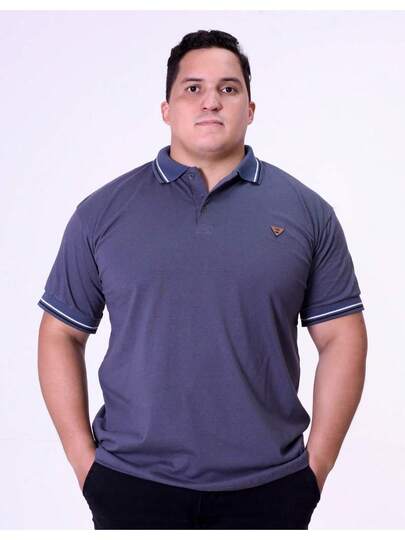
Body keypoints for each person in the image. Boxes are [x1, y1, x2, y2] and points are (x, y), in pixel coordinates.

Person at [37, 29, 368, 530]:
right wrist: (87, 467)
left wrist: (314, 471)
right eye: (192, 88)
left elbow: (343, 336)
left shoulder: (307, 213)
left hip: (269, 489)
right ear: (166, 109)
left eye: (228, 89)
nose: (211, 101)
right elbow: (60, 332)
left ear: (250, 109)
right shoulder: (101, 213)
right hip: (132, 484)